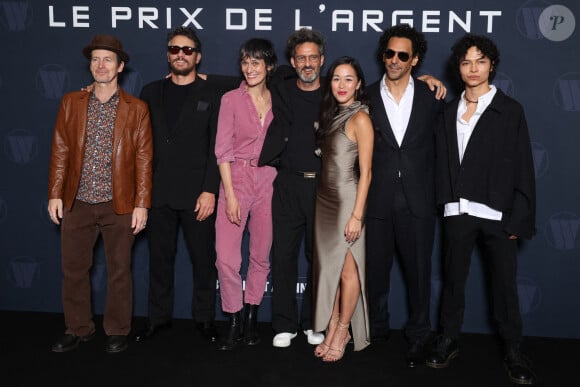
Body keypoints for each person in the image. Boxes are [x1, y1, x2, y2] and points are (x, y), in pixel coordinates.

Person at [427, 34, 536, 385]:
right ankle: (448, 340)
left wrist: (520, 216)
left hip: (497, 213)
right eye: (466, 62)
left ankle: (514, 350)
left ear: (491, 65)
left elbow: (523, 165)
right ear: (458, 68)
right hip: (458, 210)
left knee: (504, 286)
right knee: (453, 282)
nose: (473, 69)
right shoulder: (448, 111)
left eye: (480, 61)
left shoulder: (509, 109)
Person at [48, 35, 152, 353]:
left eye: (108, 59)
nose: (101, 65)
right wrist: (55, 193)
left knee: (119, 270)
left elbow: (144, 159)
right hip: (77, 201)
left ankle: (118, 329)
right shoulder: (71, 102)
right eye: (95, 59)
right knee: (73, 270)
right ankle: (78, 328)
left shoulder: (136, 109)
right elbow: (61, 149)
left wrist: (142, 204)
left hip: (118, 203)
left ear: (120, 67)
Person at [134, 27, 221, 343]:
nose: (180, 55)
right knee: (158, 262)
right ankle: (157, 319)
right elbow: (140, 143)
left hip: (198, 194)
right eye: (174, 49)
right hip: (158, 193)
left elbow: (217, 147)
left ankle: (205, 320)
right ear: (167, 54)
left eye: (187, 50)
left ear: (197, 56)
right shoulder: (149, 91)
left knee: (203, 262)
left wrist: (210, 189)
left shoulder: (212, 94)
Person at [365, 24, 444, 367]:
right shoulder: (363, 96)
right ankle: (376, 329)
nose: (394, 60)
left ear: (415, 60)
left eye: (402, 55)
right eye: (389, 53)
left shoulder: (433, 97)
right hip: (377, 197)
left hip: (418, 199)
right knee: (375, 272)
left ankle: (419, 336)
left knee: (418, 273)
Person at [259, 28, 327, 349]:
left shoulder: (336, 90)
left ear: (322, 60)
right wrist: (200, 76)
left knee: (318, 258)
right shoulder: (281, 86)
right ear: (292, 62)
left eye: (313, 57)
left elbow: (374, 92)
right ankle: (284, 324)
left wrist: (424, 81)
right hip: (286, 183)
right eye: (302, 58)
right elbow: (246, 77)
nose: (308, 63)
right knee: (283, 254)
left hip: (323, 187)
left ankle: (315, 323)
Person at [214, 38, 278, 350]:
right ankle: (235, 318)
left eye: (256, 62)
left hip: (268, 178)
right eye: (245, 62)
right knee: (226, 258)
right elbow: (222, 151)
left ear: (269, 66)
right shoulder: (230, 99)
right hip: (235, 178)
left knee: (260, 255)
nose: (250, 68)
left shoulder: (280, 99)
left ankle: (252, 314)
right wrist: (230, 194)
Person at [312, 56, 374, 362]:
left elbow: (367, 172)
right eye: (336, 78)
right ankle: (334, 326)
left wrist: (357, 215)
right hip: (324, 201)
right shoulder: (330, 114)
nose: (341, 85)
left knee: (349, 272)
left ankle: (342, 330)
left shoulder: (361, 119)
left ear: (359, 84)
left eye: (349, 79)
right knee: (333, 271)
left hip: (347, 202)